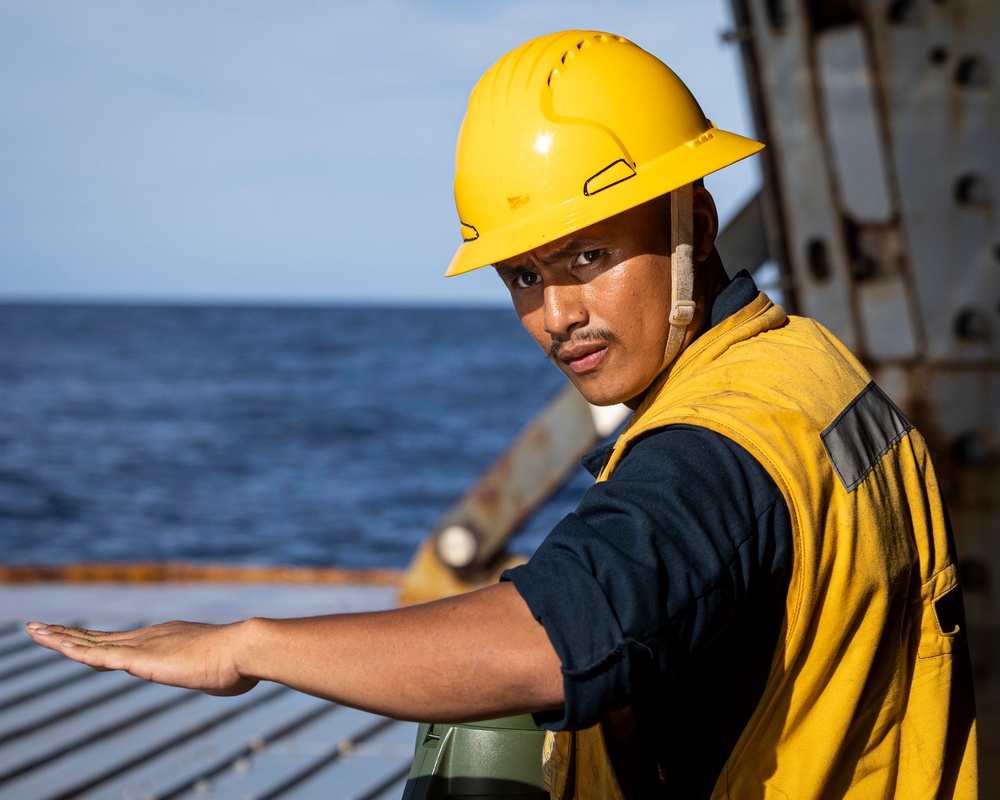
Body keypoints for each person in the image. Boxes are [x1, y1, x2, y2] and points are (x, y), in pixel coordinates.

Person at [26, 30, 977, 799]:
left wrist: (248, 647)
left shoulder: (720, 442)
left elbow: (551, 645)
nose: (558, 315)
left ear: (690, 219)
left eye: (587, 258)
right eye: (524, 275)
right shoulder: (808, 365)